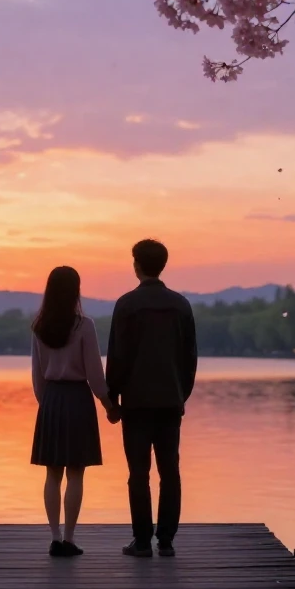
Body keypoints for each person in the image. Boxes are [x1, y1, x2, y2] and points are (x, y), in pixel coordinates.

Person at [105, 239, 197, 558]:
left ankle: (142, 541)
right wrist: (181, 393)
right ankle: (167, 541)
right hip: (170, 401)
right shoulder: (181, 305)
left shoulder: (127, 305)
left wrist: (112, 399)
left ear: (137, 265)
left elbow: (117, 356)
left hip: (136, 402)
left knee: (138, 473)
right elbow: (190, 359)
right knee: (170, 471)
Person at [29, 266, 118, 557]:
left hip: (52, 400)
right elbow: (95, 373)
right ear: (75, 291)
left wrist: (47, 406)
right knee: (76, 474)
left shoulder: (39, 327)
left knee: (52, 474)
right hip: (78, 399)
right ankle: (69, 538)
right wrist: (108, 405)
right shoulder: (84, 325)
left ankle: (54, 537)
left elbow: (37, 376)